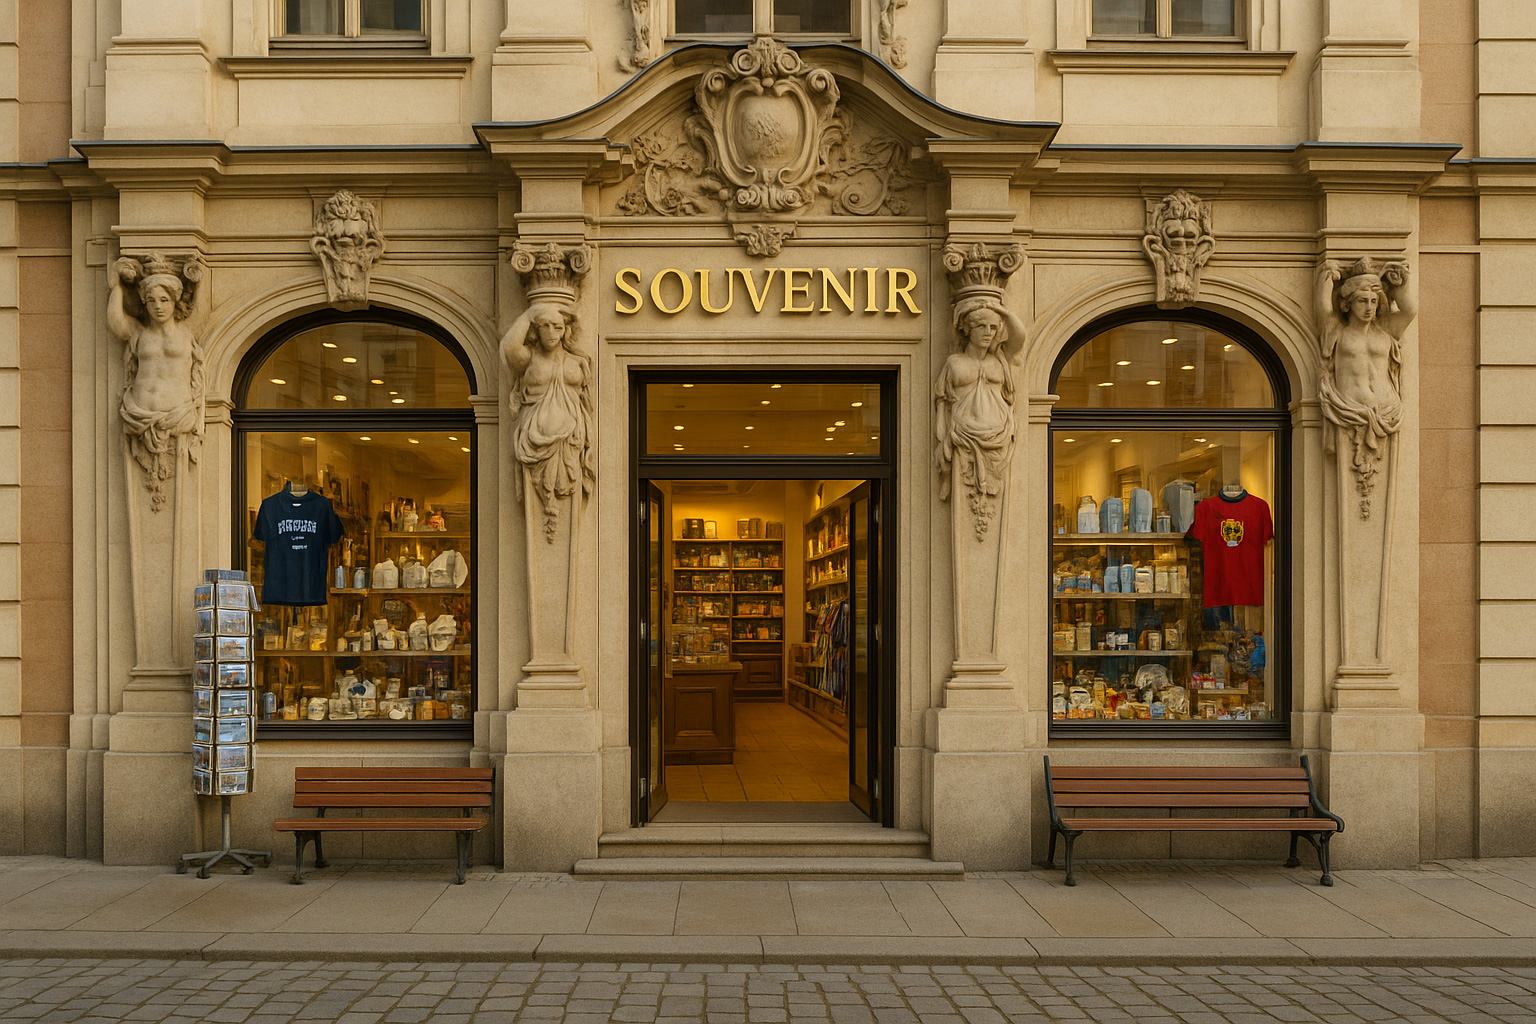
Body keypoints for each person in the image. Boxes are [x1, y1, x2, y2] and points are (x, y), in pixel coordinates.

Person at [1315, 257, 1416, 514]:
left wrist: (1399, 283)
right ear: (1348, 303)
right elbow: (1324, 309)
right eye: (1362, 301)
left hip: (1386, 410)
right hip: (1348, 408)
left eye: (1373, 301)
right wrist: (1327, 279)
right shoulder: (1336, 330)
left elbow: (1409, 311)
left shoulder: (1386, 330)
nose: (1369, 307)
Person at [106, 253, 205, 510]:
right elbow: (116, 322)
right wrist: (116, 285)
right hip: (138, 412)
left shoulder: (186, 336)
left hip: (177, 413)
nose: (158, 306)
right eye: (151, 301)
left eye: (163, 300)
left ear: (174, 302)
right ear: (144, 303)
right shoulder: (139, 333)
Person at [933, 294, 1027, 533]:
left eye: (994, 328)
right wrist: (942, 440)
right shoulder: (954, 363)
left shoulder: (1001, 359)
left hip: (999, 435)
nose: (989, 332)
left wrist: (998, 310)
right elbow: (942, 407)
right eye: (982, 326)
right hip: (964, 435)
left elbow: (1019, 336)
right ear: (968, 329)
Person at [501, 300, 594, 536]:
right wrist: (530, 313)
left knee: (565, 482)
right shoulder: (528, 359)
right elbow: (510, 347)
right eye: (545, 326)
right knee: (540, 487)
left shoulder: (578, 361)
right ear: (536, 329)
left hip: (570, 438)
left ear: (565, 331)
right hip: (534, 437)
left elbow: (586, 401)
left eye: (558, 327)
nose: (552, 333)